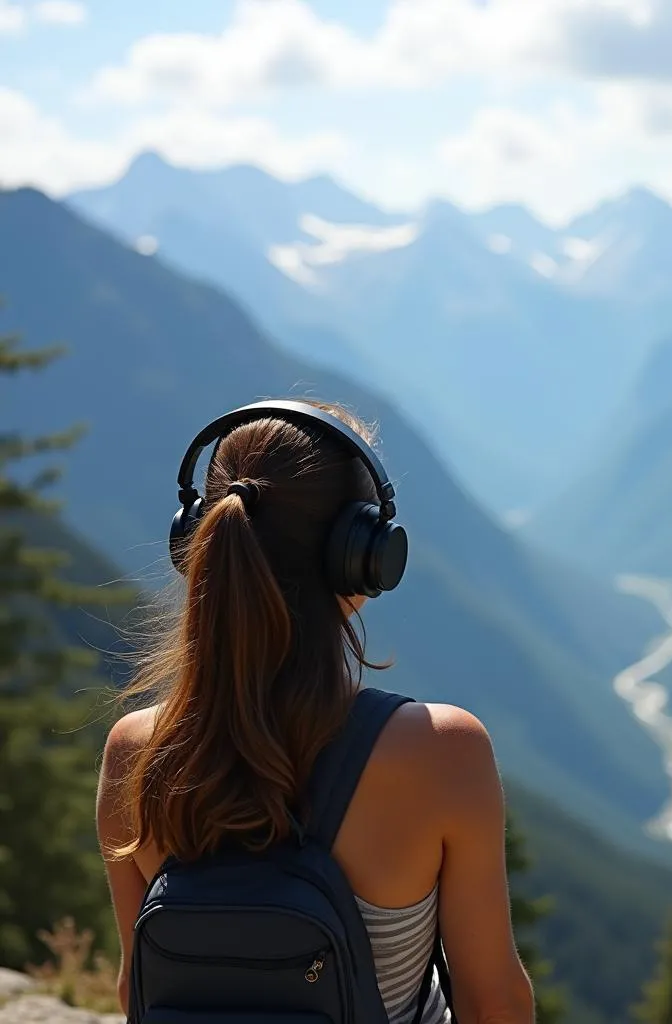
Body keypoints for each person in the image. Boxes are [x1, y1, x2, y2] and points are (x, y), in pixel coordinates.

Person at [95, 399, 535, 1024]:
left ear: (197, 541)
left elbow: (136, 988)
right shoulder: (443, 750)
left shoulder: (134, 753)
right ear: (363, 557)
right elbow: (492, 1005)